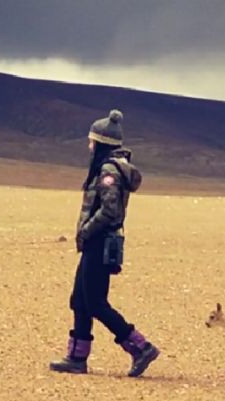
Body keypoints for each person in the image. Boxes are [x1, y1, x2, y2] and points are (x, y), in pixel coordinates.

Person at [50, 109, 160, 377]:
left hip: (99, 242)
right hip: (95, 243)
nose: (89, 145)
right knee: (80, 300)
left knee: (96, 302)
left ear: (100, 143)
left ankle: (140, 346)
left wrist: (87, 230)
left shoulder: (108, 170)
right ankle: (77, 358)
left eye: (92, 141)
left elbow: (110, 210)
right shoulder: (108, 168)